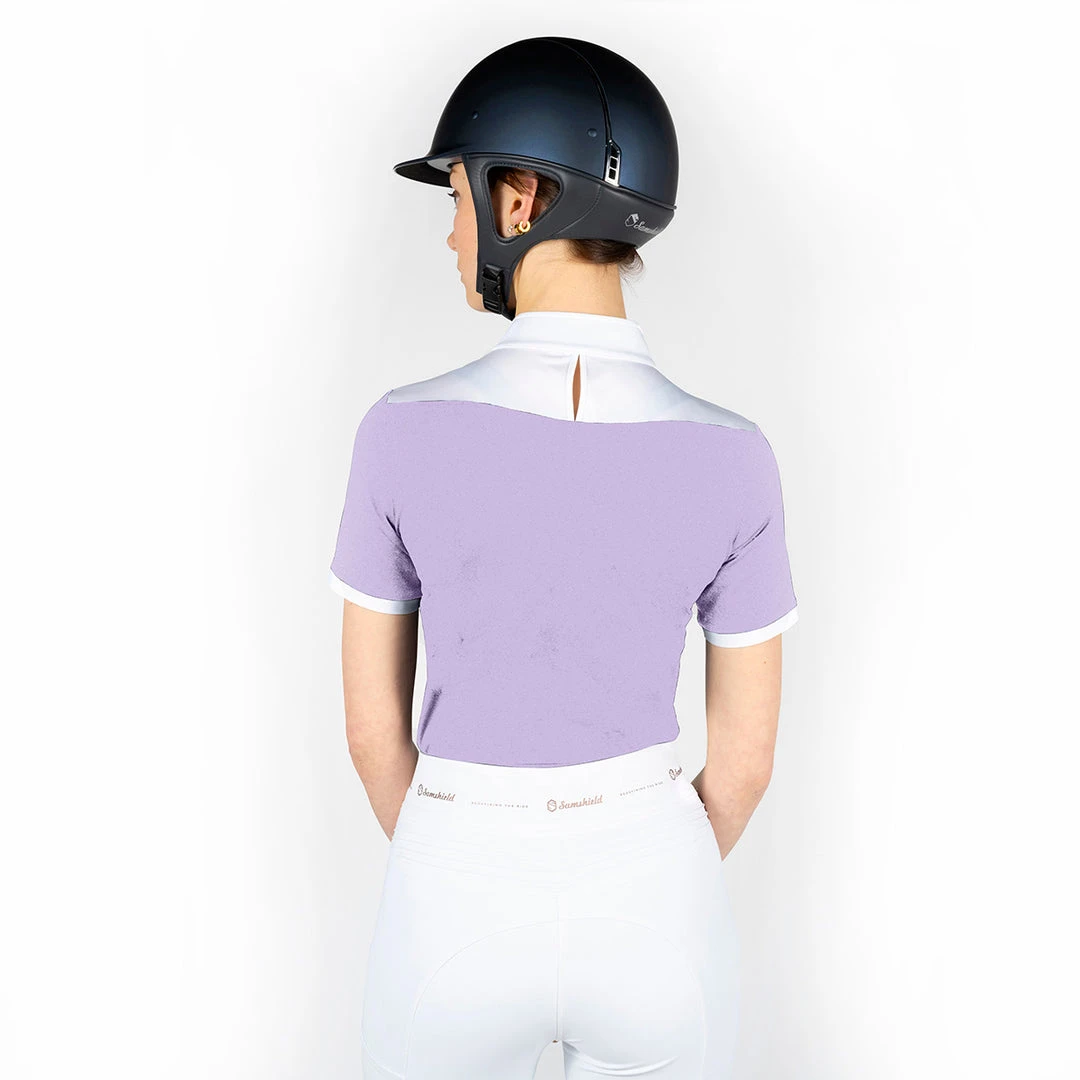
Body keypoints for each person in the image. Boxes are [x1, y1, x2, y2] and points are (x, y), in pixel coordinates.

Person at [329, 36, 798, 1080]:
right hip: (655, 897)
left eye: (458, 197)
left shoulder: (399, 432)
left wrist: (467, 865)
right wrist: (635, 867)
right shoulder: (735, 455)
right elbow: (746, 762)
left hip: (453, 886)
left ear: (519, 200)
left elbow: (371, 735)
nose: (451, 232)